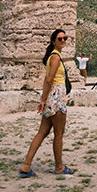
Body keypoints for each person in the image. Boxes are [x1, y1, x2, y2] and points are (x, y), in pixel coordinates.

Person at [19, 29, 74, 178]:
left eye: (65, 38)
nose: (63, 41)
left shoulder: (52, 56)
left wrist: (44, 99)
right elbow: (49, 80)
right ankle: (59, 167)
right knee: (59, 134)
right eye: (60, 38)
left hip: (51, 97)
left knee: (43, 132)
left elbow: (46, 80)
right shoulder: (55, 57)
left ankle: (26, 165)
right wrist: (44, 99)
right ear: (53, 41)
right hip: (57, 97)